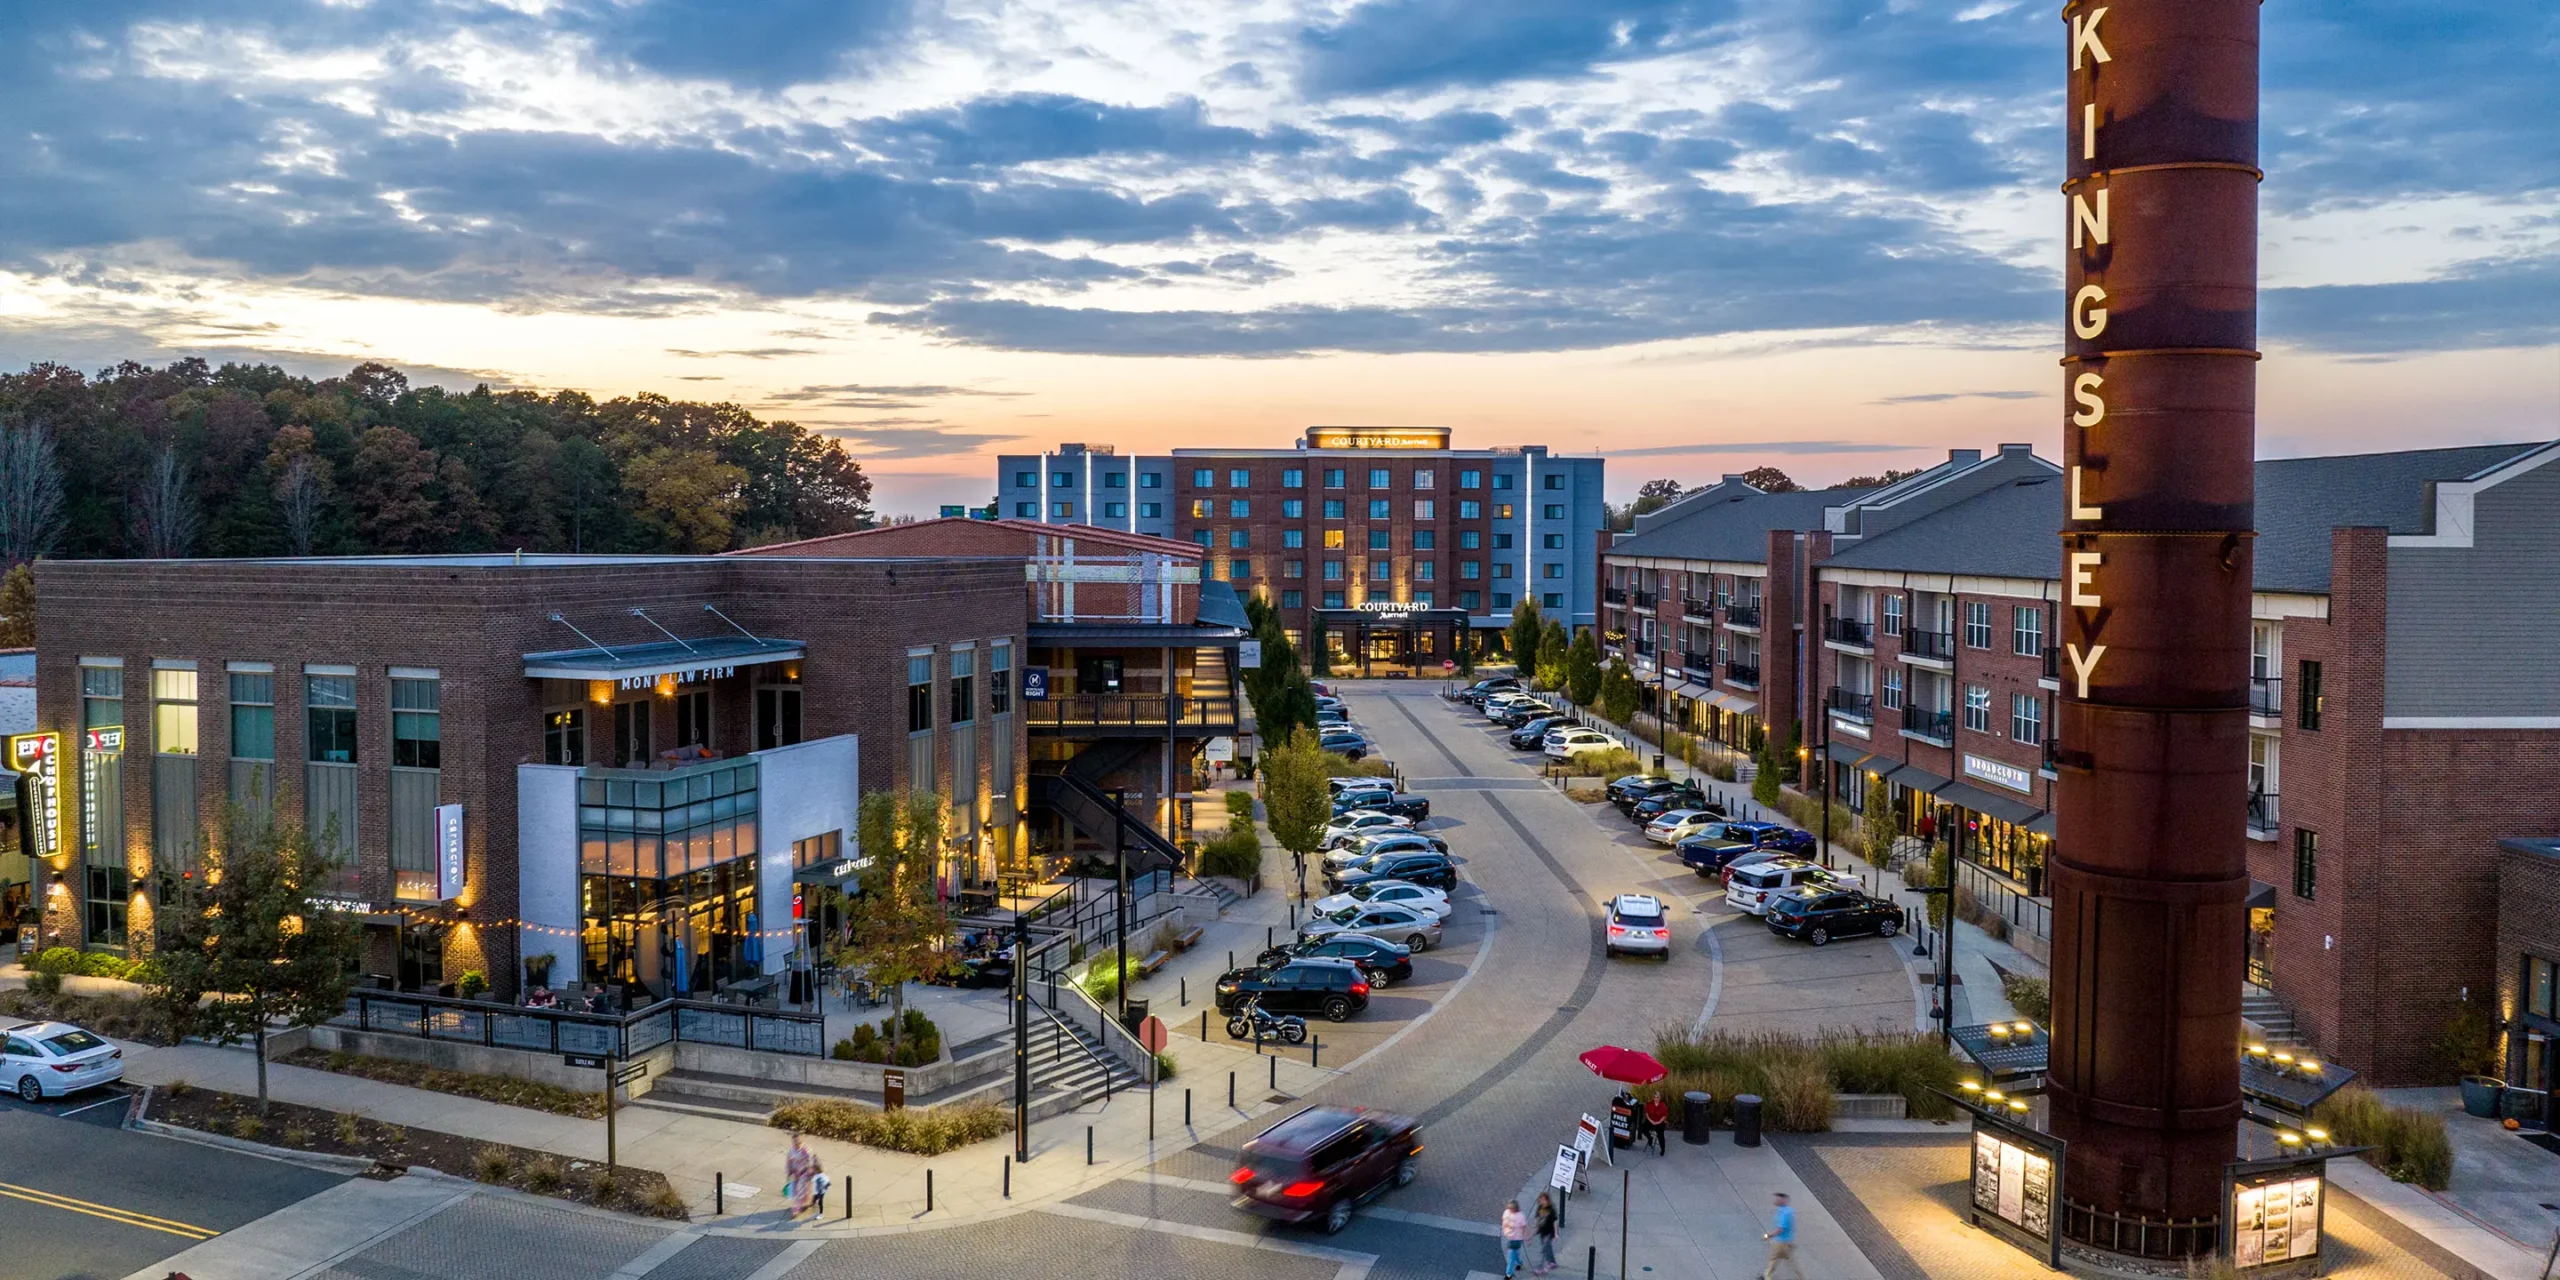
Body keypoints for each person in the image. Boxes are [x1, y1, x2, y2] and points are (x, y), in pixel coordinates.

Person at [1762, 1191, 1801, 1280]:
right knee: (1790, 1262)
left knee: (1773, 1259)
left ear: (1783, 1200)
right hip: (1788, 1241)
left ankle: (1767, 1277)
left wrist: (1769, 1236)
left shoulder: (1784, 1213)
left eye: (1778, 1199)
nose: (1776, 1200)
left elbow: (1780, 1229)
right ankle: (1801, 1277)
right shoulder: (1787, 1211)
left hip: (1781, 1242)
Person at [783, 1132, 821, 1218]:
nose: (797, 1144)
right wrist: (789, 1172)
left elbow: (811, 1162)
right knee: (798, 1190)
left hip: (804, 1173)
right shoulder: (791, 1151)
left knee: (801, 1189)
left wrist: (809, 1172)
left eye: (799, 1142)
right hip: (795, 1173)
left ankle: (796, 1209)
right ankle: (808, 1201)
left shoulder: (806, 1150)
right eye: (795, 1142)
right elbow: (789, 1162)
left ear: (802, 1141)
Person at [1500, 1199, 1529, 1277]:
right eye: (1509, 1208)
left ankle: (1508, 1274)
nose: (1510, 1210)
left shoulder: (1520, 1216)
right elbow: (1504, 1220)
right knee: (1515, 1253)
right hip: (1509, 1237)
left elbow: (1524, 1227)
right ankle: (1519, 1263)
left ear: (1516, 1208)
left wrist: (1525, 1236)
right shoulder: (1507, 1212)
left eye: (1512, 1208)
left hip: (1517, 1239)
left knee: (1511, 1257)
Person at [1532, 1191, 1559, 1275]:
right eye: (1541, 1199)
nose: (1542, 1201)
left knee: (1544, 1250)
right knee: (1548, 1248)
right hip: (1542, 1232)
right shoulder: (1539, 1207)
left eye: (1544, 1199)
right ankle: (1552, 1262)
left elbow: (1555, 1221)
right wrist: (1535, 1228)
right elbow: (1537, 1219)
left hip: (1549, 1232)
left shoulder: (1551, 1209)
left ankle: (1542, 1268)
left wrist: (1556, 1233)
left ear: (1547, 1200)